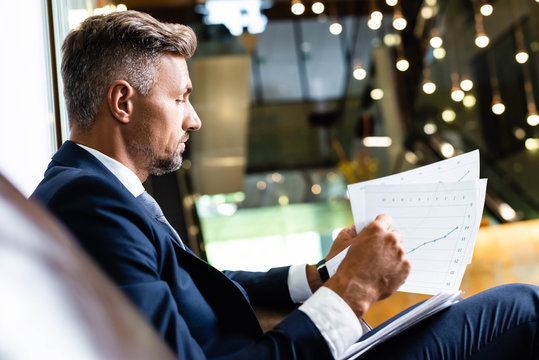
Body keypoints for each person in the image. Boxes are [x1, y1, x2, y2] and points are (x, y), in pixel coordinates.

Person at [32, 10, 538, 360]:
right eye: (182, 98)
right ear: (123, 103)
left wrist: (320, 276)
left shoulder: (92, 191)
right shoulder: (88, 202)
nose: (195, 120)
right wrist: (352, 289)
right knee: (522, 308)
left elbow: (201, 289)